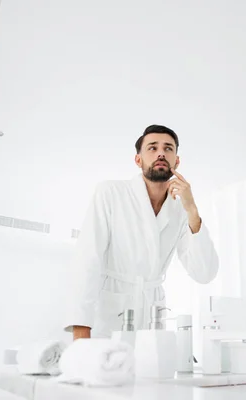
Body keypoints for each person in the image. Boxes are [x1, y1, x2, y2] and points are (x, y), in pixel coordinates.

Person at [64, 124, 219, 340]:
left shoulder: (181, 209)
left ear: (177, 161)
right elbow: (87, 259)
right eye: (152, 148)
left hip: (152, 319)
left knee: (150, 368)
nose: (161, 154)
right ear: (138, 160)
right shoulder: (110, 192)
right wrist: (81, 329)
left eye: (168, 148)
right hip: (108, 317)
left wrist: (192, 210)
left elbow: (204, 273)